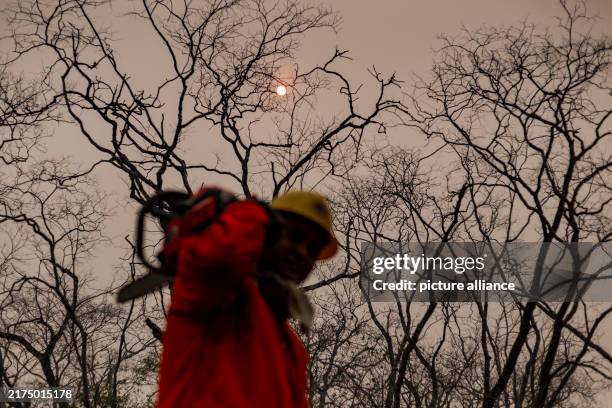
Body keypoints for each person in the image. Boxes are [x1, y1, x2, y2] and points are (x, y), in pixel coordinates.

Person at [156, 190, 337, 407]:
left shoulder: (291, 347)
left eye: (312, 249)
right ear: (267, 233)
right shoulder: (214, 290)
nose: (301, 252)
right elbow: (215, 256)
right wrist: (251, 212)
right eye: (295, 236)